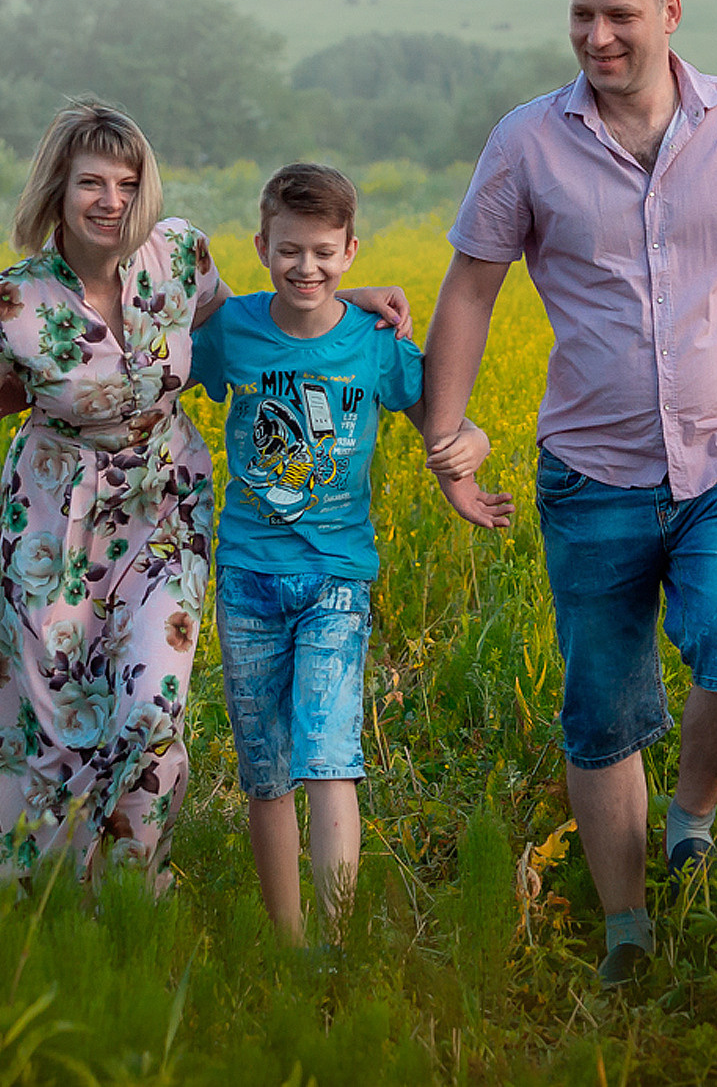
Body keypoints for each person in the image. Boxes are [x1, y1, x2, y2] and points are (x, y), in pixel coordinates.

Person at [0, 102, 410, 891]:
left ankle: (130, 892)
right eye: (91, 181)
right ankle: (48, 897)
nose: (110, 200)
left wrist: (342, 302)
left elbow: (250, 329)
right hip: (51, 530)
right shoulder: (7, 307)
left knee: (149, 715)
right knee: (52, 723)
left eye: (128, 183)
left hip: (166, 512)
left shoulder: (179, 256)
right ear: (57, 189)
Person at [420, 0, 717, 987]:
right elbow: (470, 286)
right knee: (601, 707)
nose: (596, 36)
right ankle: (625, 930)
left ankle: (690, 813)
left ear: (667, 11)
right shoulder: (525, 140)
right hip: (589, 472)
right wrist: (447, 436)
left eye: (618, 14)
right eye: (580, 14)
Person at [188, 163, 513, 941]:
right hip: (246, 577)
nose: (308, 267)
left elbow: (443, 416)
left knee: (330, 760)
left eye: (326, 253)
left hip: (338, 577)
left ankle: (335, 945)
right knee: (264, 770)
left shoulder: (373, 343)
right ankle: (288, 941)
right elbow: (154, 380)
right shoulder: (231, 331)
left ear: (352, 250)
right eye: (291, 251)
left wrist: (473, 446)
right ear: (262, 245)